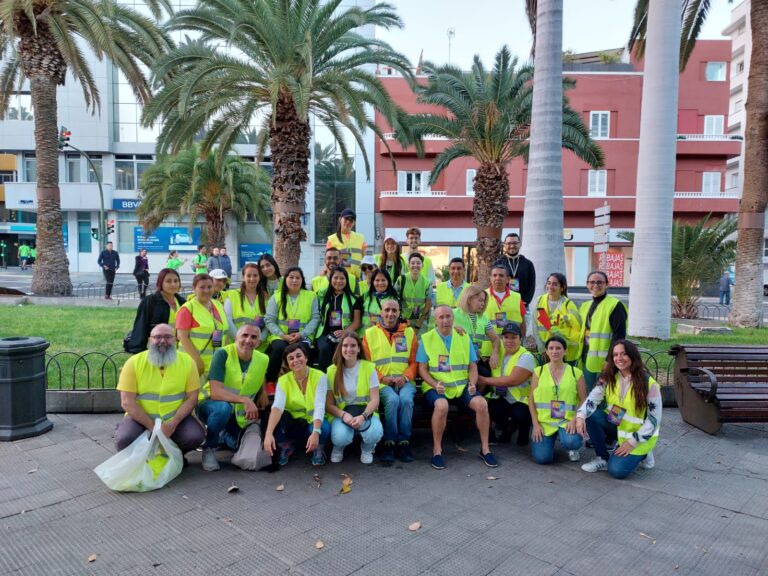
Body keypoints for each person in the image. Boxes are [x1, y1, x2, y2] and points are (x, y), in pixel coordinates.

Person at [418, 304, 497, 470]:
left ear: (453, 319)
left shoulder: (463, 336)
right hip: (437, 387)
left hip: (461, 388)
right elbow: (422, 369)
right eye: (441, 317)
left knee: (482, 404)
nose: (445, 320)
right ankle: (437, 451)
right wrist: (434, 384)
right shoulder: (426, 338)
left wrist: (472, 383)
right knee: (441, 406)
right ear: (435, 319)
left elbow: (473, 366)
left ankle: (485, 449)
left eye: (448, 316)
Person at [114, 324, 204, 454]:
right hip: (141, 418)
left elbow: (192, 398)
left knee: (194, 436)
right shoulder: (133, 363)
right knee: (125, 438)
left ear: (175, 340)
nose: (163, 341)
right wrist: (153, 427)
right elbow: (127, 402)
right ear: (150, 341)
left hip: (174, 418)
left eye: (168, 337)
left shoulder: (188, 362)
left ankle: (175, 454)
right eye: (157, 337)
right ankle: (139, 446)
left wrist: (173, 424)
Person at [577, 340, 661, 478]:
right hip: (617, 425)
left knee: (617, 470)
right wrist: (580, 416)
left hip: (639, 434)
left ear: (633, 356)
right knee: (590, 415)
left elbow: (654, 420)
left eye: (624, 354)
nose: (619, 358)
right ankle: (602, 458)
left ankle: (645, 453)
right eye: (615, 354)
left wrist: (632, 442)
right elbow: (592, 399)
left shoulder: (649, 384)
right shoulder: (608, 377)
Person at [196, 324, 269, 471]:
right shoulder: (222, 354)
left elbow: (259, 374)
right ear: (236, 338)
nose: (248, 340)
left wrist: (263, 393)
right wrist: (246, 400)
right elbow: (216, 392)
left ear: (259, 342)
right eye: (244, 335)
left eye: (254, 337)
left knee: (240, 446)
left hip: (238, 415)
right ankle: (209, 448)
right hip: (211, 405)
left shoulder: (263, 358)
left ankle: (221, 435)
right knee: (223, 408)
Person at [363, 299, 418, 463]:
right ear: (381, 312)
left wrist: (405, 377)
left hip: (405, 381)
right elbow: (367, 363)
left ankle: (404, 441)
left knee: (406, 400)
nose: (390, 314)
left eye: (394, 310)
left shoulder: (409, 333)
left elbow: (415, 362)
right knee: (393, 400)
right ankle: (389, 441)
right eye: (387, 310)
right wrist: (382, 378)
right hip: (381, 383)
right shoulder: (369, 334)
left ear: (399, 313)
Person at [263, 343, 331, 467]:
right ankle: (286, 446)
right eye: (291, 358)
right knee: (273, 418)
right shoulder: (283, 381)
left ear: (306, 358)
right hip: (293, 423)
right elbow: (277, 407)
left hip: (313, 422)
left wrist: (316, 431)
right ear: (288, 363)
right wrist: (268, 434)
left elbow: (320, 406)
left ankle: (318, 447)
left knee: (324, 429)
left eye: (299, 356)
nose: (296, 360)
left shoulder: (320, 376)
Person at [325, 332, 383, 464]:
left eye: (353, 345)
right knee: (340, 437)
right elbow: (328, 405)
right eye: (345, 345)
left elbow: (375, 400)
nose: (349, 349)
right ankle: (338, 448)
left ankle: (367, 448)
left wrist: (363, 416)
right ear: (340, 348)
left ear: (358, 348)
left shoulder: (369, 368)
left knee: (375, 432)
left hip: (365, 413)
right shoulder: (331, 371)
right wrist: (344, 415)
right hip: (342, 414)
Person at [529, 335, 586, 464]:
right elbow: (531, 400)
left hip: (567, 421)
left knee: (572, 441)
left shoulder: (575, 372)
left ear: (565, 351)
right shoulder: (539, 372)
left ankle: (571, 447)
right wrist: (536, 425)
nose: (555, 351)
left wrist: (575, 419)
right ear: (547, 351)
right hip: (545, 422)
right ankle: (548, 445)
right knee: (542, 459)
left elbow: (583, 400)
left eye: (558, 348)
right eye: (551, 348)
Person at [477, 322, 535, 446]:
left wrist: (485, 380)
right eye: (506, 337)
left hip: (521, 399)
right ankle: (508, 428)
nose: (509, 341)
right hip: (501, 396)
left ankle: (524, 432)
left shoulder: (526, 356)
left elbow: (512, 380)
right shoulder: (500, 353)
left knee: (520, 415)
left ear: (520, 339)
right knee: (489, 407)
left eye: (513, 337)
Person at [263, 267, 320, 384]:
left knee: (302, 352)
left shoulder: (311, 296)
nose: (294, 281)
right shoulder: (276, 296)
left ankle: (304, 382)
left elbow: (315, 318)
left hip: (303, 336)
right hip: (280, 336)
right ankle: (270, 382)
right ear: (285, 280)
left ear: (302, 280)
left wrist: (301, 334)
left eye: (297, 278)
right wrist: (283, 335)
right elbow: (269, 320)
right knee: (278, 349)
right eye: (291, 277)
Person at [578, 270, 628, 391]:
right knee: (589, 396)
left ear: (607, 284)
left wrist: (610, 360)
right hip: (586, 359)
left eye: (600, 282)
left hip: (605, 361)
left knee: (604, 397)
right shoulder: (585, 306)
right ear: (587, 284)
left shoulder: (615, 305)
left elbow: (619, 336)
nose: (595, 285)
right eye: (592, 282)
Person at [176, 274, 229, 377]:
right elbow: (182, 337)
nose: (206, 290)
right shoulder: (187, 309)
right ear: (194, 288)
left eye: (209, 287)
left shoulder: (217, 304)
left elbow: (224, 332)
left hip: (216, 364)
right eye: (202, 287)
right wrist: (197, 361)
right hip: (195, 365)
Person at [126, 268, 186, 353]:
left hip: (178, 351)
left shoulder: (182, 302)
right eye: (168, 281)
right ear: (160, 283)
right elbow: (141, 327)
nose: (173, 284)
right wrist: (137, 351)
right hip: (157, 351)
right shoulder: (150, 301)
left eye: (176, 281)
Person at [315, 267, 362, 370]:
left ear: (346, 280)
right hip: (324, 334)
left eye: (342, 278)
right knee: (324, 349)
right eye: (335, 278)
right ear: (331, 279)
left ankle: (340, 379)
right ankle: (324, 379)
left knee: (340, 349)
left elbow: (357, 322)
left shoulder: (354, 299)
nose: (339, 281)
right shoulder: (321, 296)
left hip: (344, 334)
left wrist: (345, 332)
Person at [535, 273, 582, 365]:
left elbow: (577, 330)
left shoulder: (569, 305)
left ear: (562, 288)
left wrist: (563, 348)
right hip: (546, 351)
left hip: (566, 353)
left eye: (555, 284)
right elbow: (535, 326)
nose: (550, 286)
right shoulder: (540, 300)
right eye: (549, 283)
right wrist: (542, 348)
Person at [454, 285, 499, 377]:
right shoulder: (452, 314)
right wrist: (453, 327)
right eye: (480, 300)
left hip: (475, 361)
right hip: (457, 362)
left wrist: (495, 353)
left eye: (484, 301)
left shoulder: (484, 318)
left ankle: (475, 391)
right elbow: (438, 330)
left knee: (486, 374)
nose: (483, 304)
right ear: (469, 299)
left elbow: (495, 339)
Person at [223, 263, 269, 351]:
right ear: (243, 277)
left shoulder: (265, 297)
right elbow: (227, 320)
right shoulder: (232, 295)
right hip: (236, 346)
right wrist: (240, 340)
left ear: (259, 277)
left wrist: (260, 340)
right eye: (248, 275)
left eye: (255, 275)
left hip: (259, 349)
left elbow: (269, 322)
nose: (252, 279)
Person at [493, 233, 536, 309]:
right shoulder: (498, 264)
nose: (512, 246)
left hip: (522, 305)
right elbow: (493, 284)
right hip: (502, 305)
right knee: (503, 322)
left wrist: (526, 301)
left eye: (515, 243)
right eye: (509, 243)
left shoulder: (528, 264)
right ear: (505, 245)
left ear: (520, 244)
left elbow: (531, 284)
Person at [485, 264, 526, 339]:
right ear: (490, 278)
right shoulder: (483, 296)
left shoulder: (517, 297)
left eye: (501, 275)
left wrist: (521, 340)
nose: (497, 278)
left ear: (508, 279)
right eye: (494, 275)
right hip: (488, 347)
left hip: (511, 346)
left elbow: (523, 323)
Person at [326, 208, 366, 278]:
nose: (348, 222)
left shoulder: (361, 238)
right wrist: (325, 271)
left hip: (356, 278)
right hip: (339, 278)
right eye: (346, 219)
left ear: (354, 223)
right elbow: (327, 260)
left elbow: (364, 259)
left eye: (351, 220)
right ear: (340, 219)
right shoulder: (332, 239)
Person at [397, 253, 432, 333]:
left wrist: (418, 325)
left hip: (420, 320)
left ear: (422, 265)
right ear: (408, 265)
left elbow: (428, 305)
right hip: (403, 320)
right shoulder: (401, 279)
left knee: (419, 343)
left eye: (418, 263)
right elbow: (395, 299)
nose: (415, 265)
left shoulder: (427, 282)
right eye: (412, 263)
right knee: (404, 344)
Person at [360, 268, 399, 332]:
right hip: (365, 336)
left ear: (388, 281)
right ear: (373, 282)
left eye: (383, 280)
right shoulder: (365, 296)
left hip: (384, 337)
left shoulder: (394, 299)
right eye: (377, 280)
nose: (380, 283)